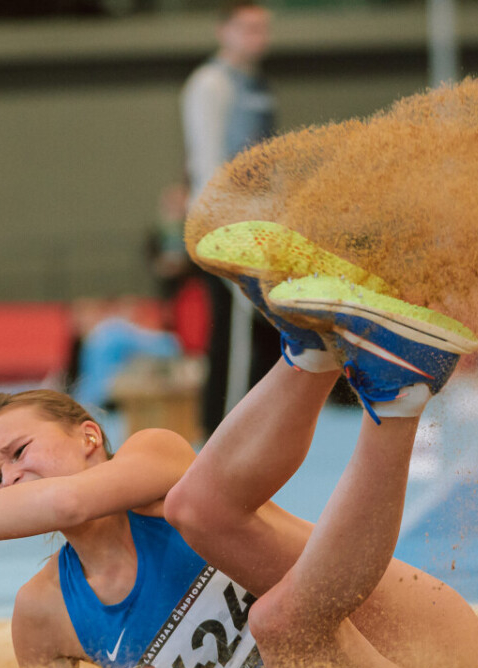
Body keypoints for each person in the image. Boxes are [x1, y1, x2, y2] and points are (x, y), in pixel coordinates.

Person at [0, 222, 478, 668]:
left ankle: (323, 359)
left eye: (20, 451)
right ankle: (335, 360)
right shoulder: (45, 612)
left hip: (422, 648)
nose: (11, 478)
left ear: (90, 436)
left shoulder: (152, 459)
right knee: (278, 621)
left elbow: (66, 498)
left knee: (206, 518)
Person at [182, 1, 281, 436]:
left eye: (263, 29)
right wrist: (219, 230)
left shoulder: (256, 85)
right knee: (234, 334)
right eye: (247, 28)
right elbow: (207, 162)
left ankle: (253, 430)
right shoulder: (211, 84)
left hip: (258, 225)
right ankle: (219, 436)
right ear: (223, 31)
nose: (257, 38)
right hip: (222, 226)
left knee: (259, 331)